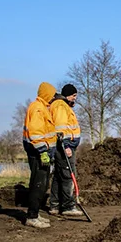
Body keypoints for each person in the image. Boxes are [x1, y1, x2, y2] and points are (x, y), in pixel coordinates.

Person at [22, 82, 57, 229]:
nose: (54, 97)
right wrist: (43, 151)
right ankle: (32, 216)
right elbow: (35, 132)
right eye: (52, 94)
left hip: (42, 151)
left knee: (42, 184)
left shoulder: (43, 108)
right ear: (47, 94)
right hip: (38, 151)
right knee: (38, 183)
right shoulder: (37, 108)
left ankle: (35, 213)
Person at [48, 84, 83, 216]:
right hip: (64, 146)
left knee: (58, 175)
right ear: (68, 95)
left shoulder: (61, 106)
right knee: (68, 175)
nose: (75, 98)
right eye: (74, 96)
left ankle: (55, 205)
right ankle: (68, 206)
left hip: (63, 145)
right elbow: (60, 129)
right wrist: (66, 146)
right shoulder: (61, 107)